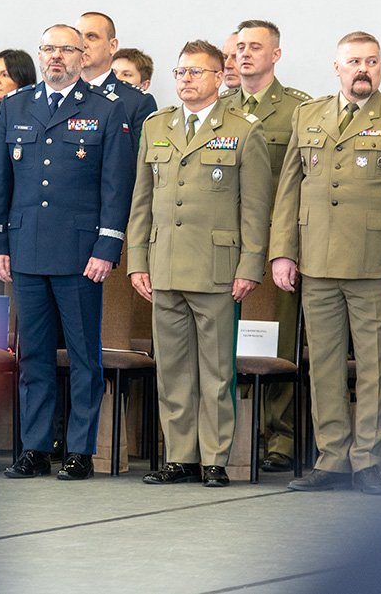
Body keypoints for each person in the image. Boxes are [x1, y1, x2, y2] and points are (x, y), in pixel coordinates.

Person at [270, 31, 381, 495]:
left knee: (374, 367)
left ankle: (368, 461)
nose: (364, 69)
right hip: (316, 261)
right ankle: (332, 459)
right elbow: (289, 189)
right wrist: (283, 251)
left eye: (372, 61)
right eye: (354, 61)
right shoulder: (308, 115)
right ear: (337, 67)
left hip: (373, 264)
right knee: (322, 366)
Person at [0, 24, 134, 481]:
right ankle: (34, 447)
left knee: (85, 356)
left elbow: (116, 186)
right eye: (48, 48)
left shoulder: (106, 109)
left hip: (80, 253)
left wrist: (107, 246)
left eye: (66, 49)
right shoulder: (16, 106)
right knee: (33, 355)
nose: (55, 57)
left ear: (82, 55)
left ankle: (80, 450)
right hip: (25, 248)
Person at [127, 40, 272, 488]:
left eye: (196, 72)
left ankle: (214, 458)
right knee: (172, 370)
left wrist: (250, 265)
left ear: (219, 77)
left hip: (216, 268)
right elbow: (142, 201)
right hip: (165, 265)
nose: (186, 79)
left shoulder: (243, 130)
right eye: (181, 72)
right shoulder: (157, 126)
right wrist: (137, 261)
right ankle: (180, 457)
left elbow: (256, 208)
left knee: (216, 371)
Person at [222, 19, 311, 473]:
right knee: (225, 343)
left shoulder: (298, 110)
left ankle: (280, 438)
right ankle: (233, 438)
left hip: (276, 245)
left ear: (276, 54)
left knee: (277, 342)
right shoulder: (220, 107)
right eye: (239, 47)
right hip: (224, 245)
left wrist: (286, 247)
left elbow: (301, 183)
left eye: (255, 47)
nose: (245, 54)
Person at [76, 12, 157, 152]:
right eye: (78, 37)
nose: (83, 44)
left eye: (91, 36)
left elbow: (139, 160)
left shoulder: (137, 102)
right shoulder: (60, 94)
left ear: (112, 46)